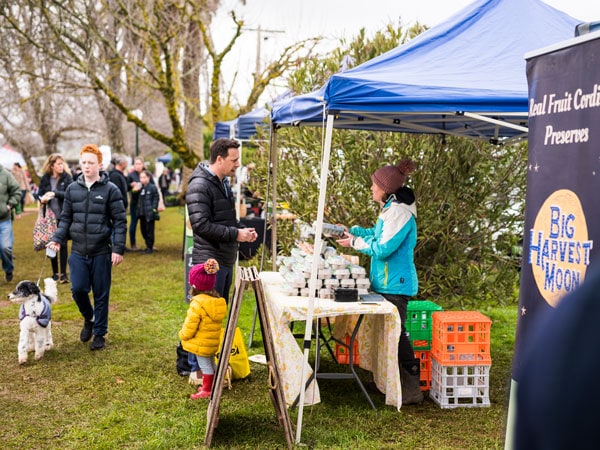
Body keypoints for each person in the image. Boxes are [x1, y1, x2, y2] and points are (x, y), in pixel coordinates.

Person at [336, 158, 423, 405]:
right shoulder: (391, 209)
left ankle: (411, 390)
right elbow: (377, 236)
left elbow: (383, 248)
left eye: (375, 185)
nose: (372, 188)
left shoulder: (399, 213)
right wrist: (353, 232)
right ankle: (389, 384)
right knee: (387, 336)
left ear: (386, 189)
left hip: (396, 285)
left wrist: (354, 243)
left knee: (398, 337)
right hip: (387, 283)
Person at [47, 144, 127, 351]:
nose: (86, 166)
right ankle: (89, 318)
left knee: (101, 294)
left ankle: (99, 333)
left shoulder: (111, 190)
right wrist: (57, 238)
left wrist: (118, 249)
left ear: (100, 164)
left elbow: (119, 221)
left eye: (91, 163)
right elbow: (65, 219)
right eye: (83, 162)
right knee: (78, 289)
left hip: (101, 251)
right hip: (78, 251)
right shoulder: (73, 189)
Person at [186, 138, 257, 303]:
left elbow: (225, 219)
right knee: (207, 318)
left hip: (224, 259)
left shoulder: (223, 182)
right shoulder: (199, 185)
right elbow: (201, 226)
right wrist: (236, 234)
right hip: (208, 263)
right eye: (234, 160)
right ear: (219, 159)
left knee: (219, 313)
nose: (238, 164)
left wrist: (243, 231)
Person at [178, 258, 228, 399]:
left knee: (205, 366)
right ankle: (215, 385)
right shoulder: (217, 302)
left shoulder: (197, 304)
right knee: (211, 363)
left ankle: (207, 390)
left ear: (195, 285)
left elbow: (190, 325)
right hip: (211, 342)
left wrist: (183, 335)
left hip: (201, 343)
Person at [38, 153, 73, 283]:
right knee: (51, 244)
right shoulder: (45, 179)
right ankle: (55, 273)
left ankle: (63, 274)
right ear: (52, 166)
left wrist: (55, 193)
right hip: (49, 218)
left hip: (63, 216)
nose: (61, 166)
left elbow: (70, 193)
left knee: (62, 244)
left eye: (62, 164)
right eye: (58, 164)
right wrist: (43, 199)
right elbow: (39, 193)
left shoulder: (67, 178)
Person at [0, 164, 21, 282]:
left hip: (4, 219)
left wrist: (9, 206)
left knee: (5, 247)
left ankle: (8, 269)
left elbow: (17, 191)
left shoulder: (6, 175)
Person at [138, 169, 160, 254]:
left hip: (149, 213)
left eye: (144, 177)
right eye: (141, 177)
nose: (142, 179)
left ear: (148, 177)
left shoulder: (152, 187)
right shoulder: (141, 188)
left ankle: (150, 247)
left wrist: (154, 208)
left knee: (149, 231)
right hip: (142, 213)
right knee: (143, 230)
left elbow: (156, 197)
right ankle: (147, 245)